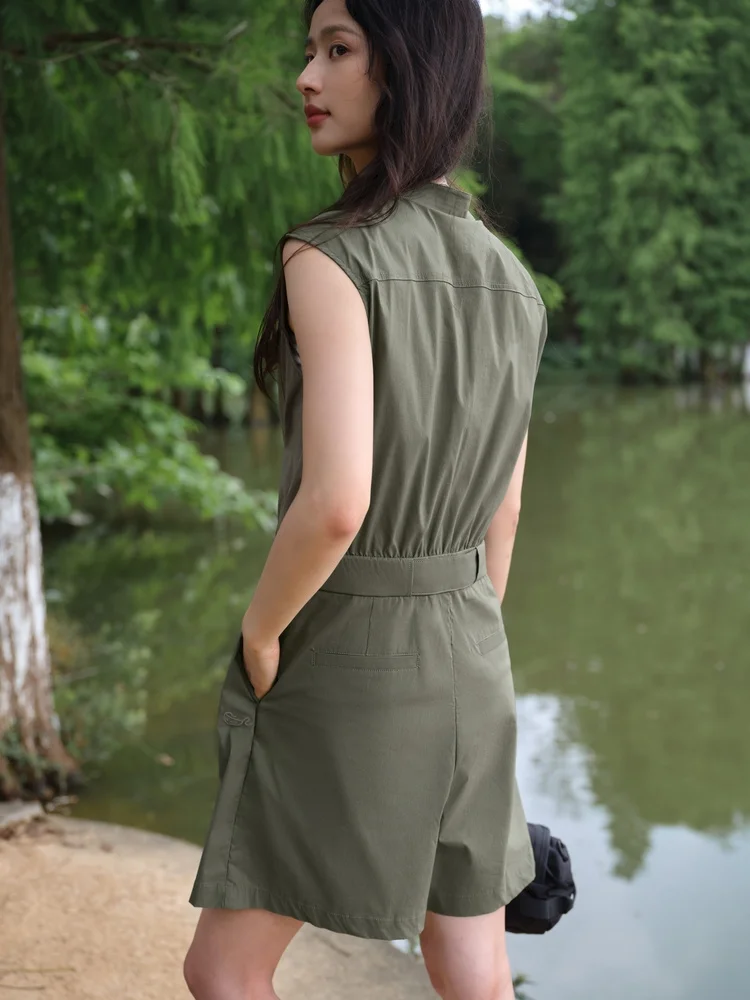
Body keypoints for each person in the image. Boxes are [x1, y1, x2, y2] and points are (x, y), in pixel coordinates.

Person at [184, 0, 548, 997]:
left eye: (337, 50)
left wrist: (263, 632)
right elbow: (502, 515)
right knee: (471, 961)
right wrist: (464, 637)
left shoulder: (330, 253)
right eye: (310, 51)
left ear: (409, 67)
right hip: (472, 648)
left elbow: (340, 501)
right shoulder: (513, 282)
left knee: (225, 967)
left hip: (348, 642)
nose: (306, 77)